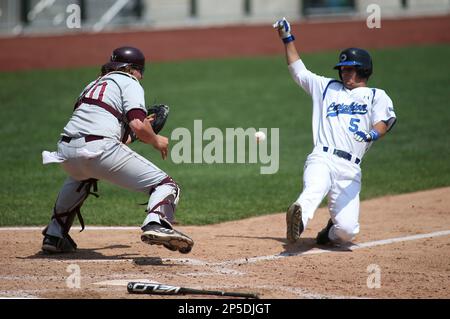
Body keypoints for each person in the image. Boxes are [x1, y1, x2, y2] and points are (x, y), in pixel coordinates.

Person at [41, 46, 194, 254]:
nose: (141, 76)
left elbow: (99, 128)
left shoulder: (91, 85)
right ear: (131, 69)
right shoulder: (129, 81)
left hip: (66, 151)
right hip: (100, 148)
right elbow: (139, 126)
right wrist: (156, 139)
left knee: (84, 176)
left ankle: (55, 234)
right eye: (140, 70)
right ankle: (156, 223)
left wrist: (133, 134)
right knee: (166, 185)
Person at [273, 18, 396, 245]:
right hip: (323, 157)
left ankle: (329, 232)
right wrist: (286, 38)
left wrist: (373, 134)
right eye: (343, 69)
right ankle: (297, 222)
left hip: (350, 169)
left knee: (347, 233)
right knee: (314, 188)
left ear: (363, 70)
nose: (345, 73)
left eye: (351, 69)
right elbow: (298, 71)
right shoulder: (327, 87)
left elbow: (384, 121)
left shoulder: (377, 95)